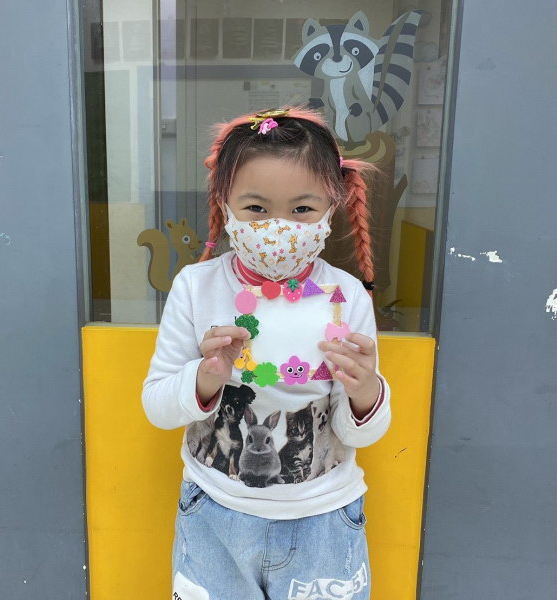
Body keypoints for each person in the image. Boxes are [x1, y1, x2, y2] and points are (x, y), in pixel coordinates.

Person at [142, 107, 390, 600]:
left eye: (302, 209)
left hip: (324, 521)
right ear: (225, 203)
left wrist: (366, 393)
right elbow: (157, 407)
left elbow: (356, 432)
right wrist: (206, 377)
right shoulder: (196, 287)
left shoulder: (346, 297)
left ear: (333, 207)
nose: (279, 227)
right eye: (256, 208)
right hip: (214, 517)